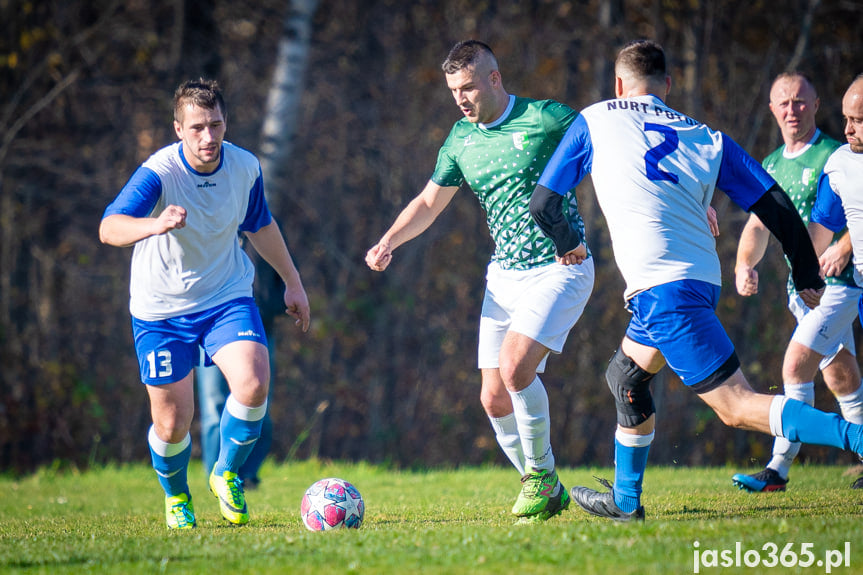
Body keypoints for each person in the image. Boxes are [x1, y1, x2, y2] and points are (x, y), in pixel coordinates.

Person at [530, 40, 863, 522]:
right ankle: (625, 502)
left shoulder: (596, 117)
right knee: (625, 376)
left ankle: (856, 437)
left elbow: (544, 203)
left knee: (735, 406)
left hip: (664, 292)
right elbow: (775, 204)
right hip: (693, 283)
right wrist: (805, 269)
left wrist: (568, 245)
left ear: (619, 84)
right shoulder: (706, 136)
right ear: (667, 87)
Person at [365, 40, 595, 523]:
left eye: (468, 86)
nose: (461, 98)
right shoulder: (460, 139)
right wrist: (389, 239)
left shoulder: (547, 118)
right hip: (504, 277)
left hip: (561, 267)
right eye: (453, 90)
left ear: (495, 78)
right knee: (492, 397)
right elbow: (429, 202)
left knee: (515, 370)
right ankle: (544, 484)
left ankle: (540, 476)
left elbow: (616, 155)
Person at [99, 79, 310, 529]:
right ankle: (177, 498)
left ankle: (226, 472)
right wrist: (153, 226)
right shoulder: (160, 172)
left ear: (226, 123)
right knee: (174, 424)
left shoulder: (244, 166)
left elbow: (261, 225)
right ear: (178, 129)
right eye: (197, 127)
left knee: (253, 383)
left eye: (215, 125)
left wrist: (293, 282)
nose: (208, 137)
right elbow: (110, 227)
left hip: (225, 295)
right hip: (161, 310)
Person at [732, 72, 863, 493]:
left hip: (838, 285)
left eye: (801, 102)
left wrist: (843, 247)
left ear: (816, 104)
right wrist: (743, 265)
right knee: (841, 374)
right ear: (772, 109)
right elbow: (758, 225)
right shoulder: (771, 164)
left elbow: (849, 218)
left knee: (795, 365)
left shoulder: (834, 153)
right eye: (784, 103)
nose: (793, 110)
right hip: (804, 289)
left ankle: (778, 468)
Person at [810, 74, 863, 490]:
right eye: (846, 118)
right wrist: (807, 276)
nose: (847, 129)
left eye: (858, 120)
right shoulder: (840, 163)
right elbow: (823, 226)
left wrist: (845, 245)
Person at [196, 350, 272, 490]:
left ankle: (247, 476)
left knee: (256, 406)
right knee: (214, 410)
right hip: (206, 335)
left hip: (256, 332)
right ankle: (218, 477)